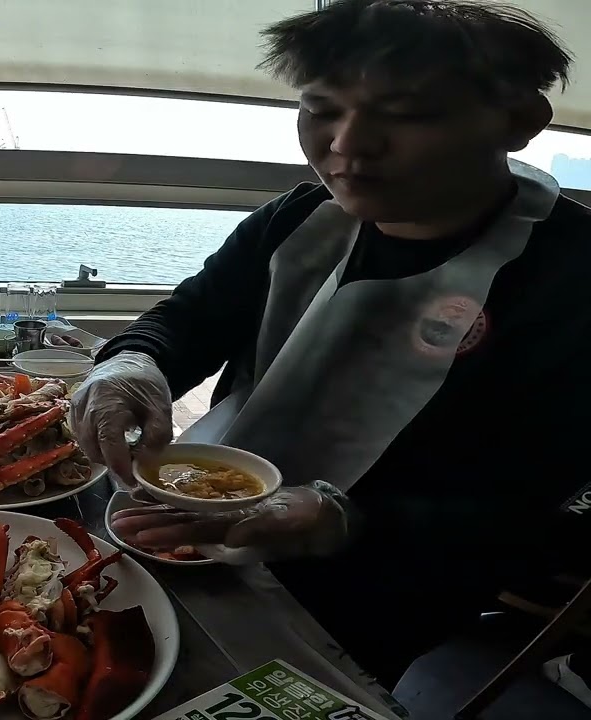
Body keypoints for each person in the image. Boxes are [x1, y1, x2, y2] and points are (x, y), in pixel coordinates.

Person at [73, 0, 591, 691]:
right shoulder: (297, 219)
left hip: (387, 578)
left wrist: (335, 517)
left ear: (519, 122)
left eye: (407, 115)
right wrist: (133, 363)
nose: (348, 145)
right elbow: (190, 318)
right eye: (321, 110)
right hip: (203, 509)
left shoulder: (570, 278)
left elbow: (527, 494)